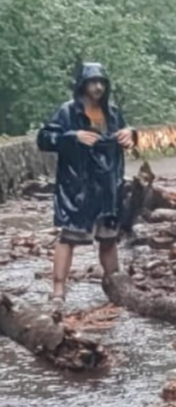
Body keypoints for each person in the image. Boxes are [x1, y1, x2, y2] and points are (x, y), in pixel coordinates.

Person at [37, 63, 136, 313]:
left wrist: (131, 134)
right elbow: (44, 139)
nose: (98, 87)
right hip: (78, 187)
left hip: (108, 185)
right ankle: (58, 291)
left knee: (109, 238)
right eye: (93, 82)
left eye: (102, 82)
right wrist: (73, 136)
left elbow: (127, 139)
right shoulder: (67, 111)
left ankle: (116, 284)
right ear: (83, 84)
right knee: (68, 237)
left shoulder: (113, 113)